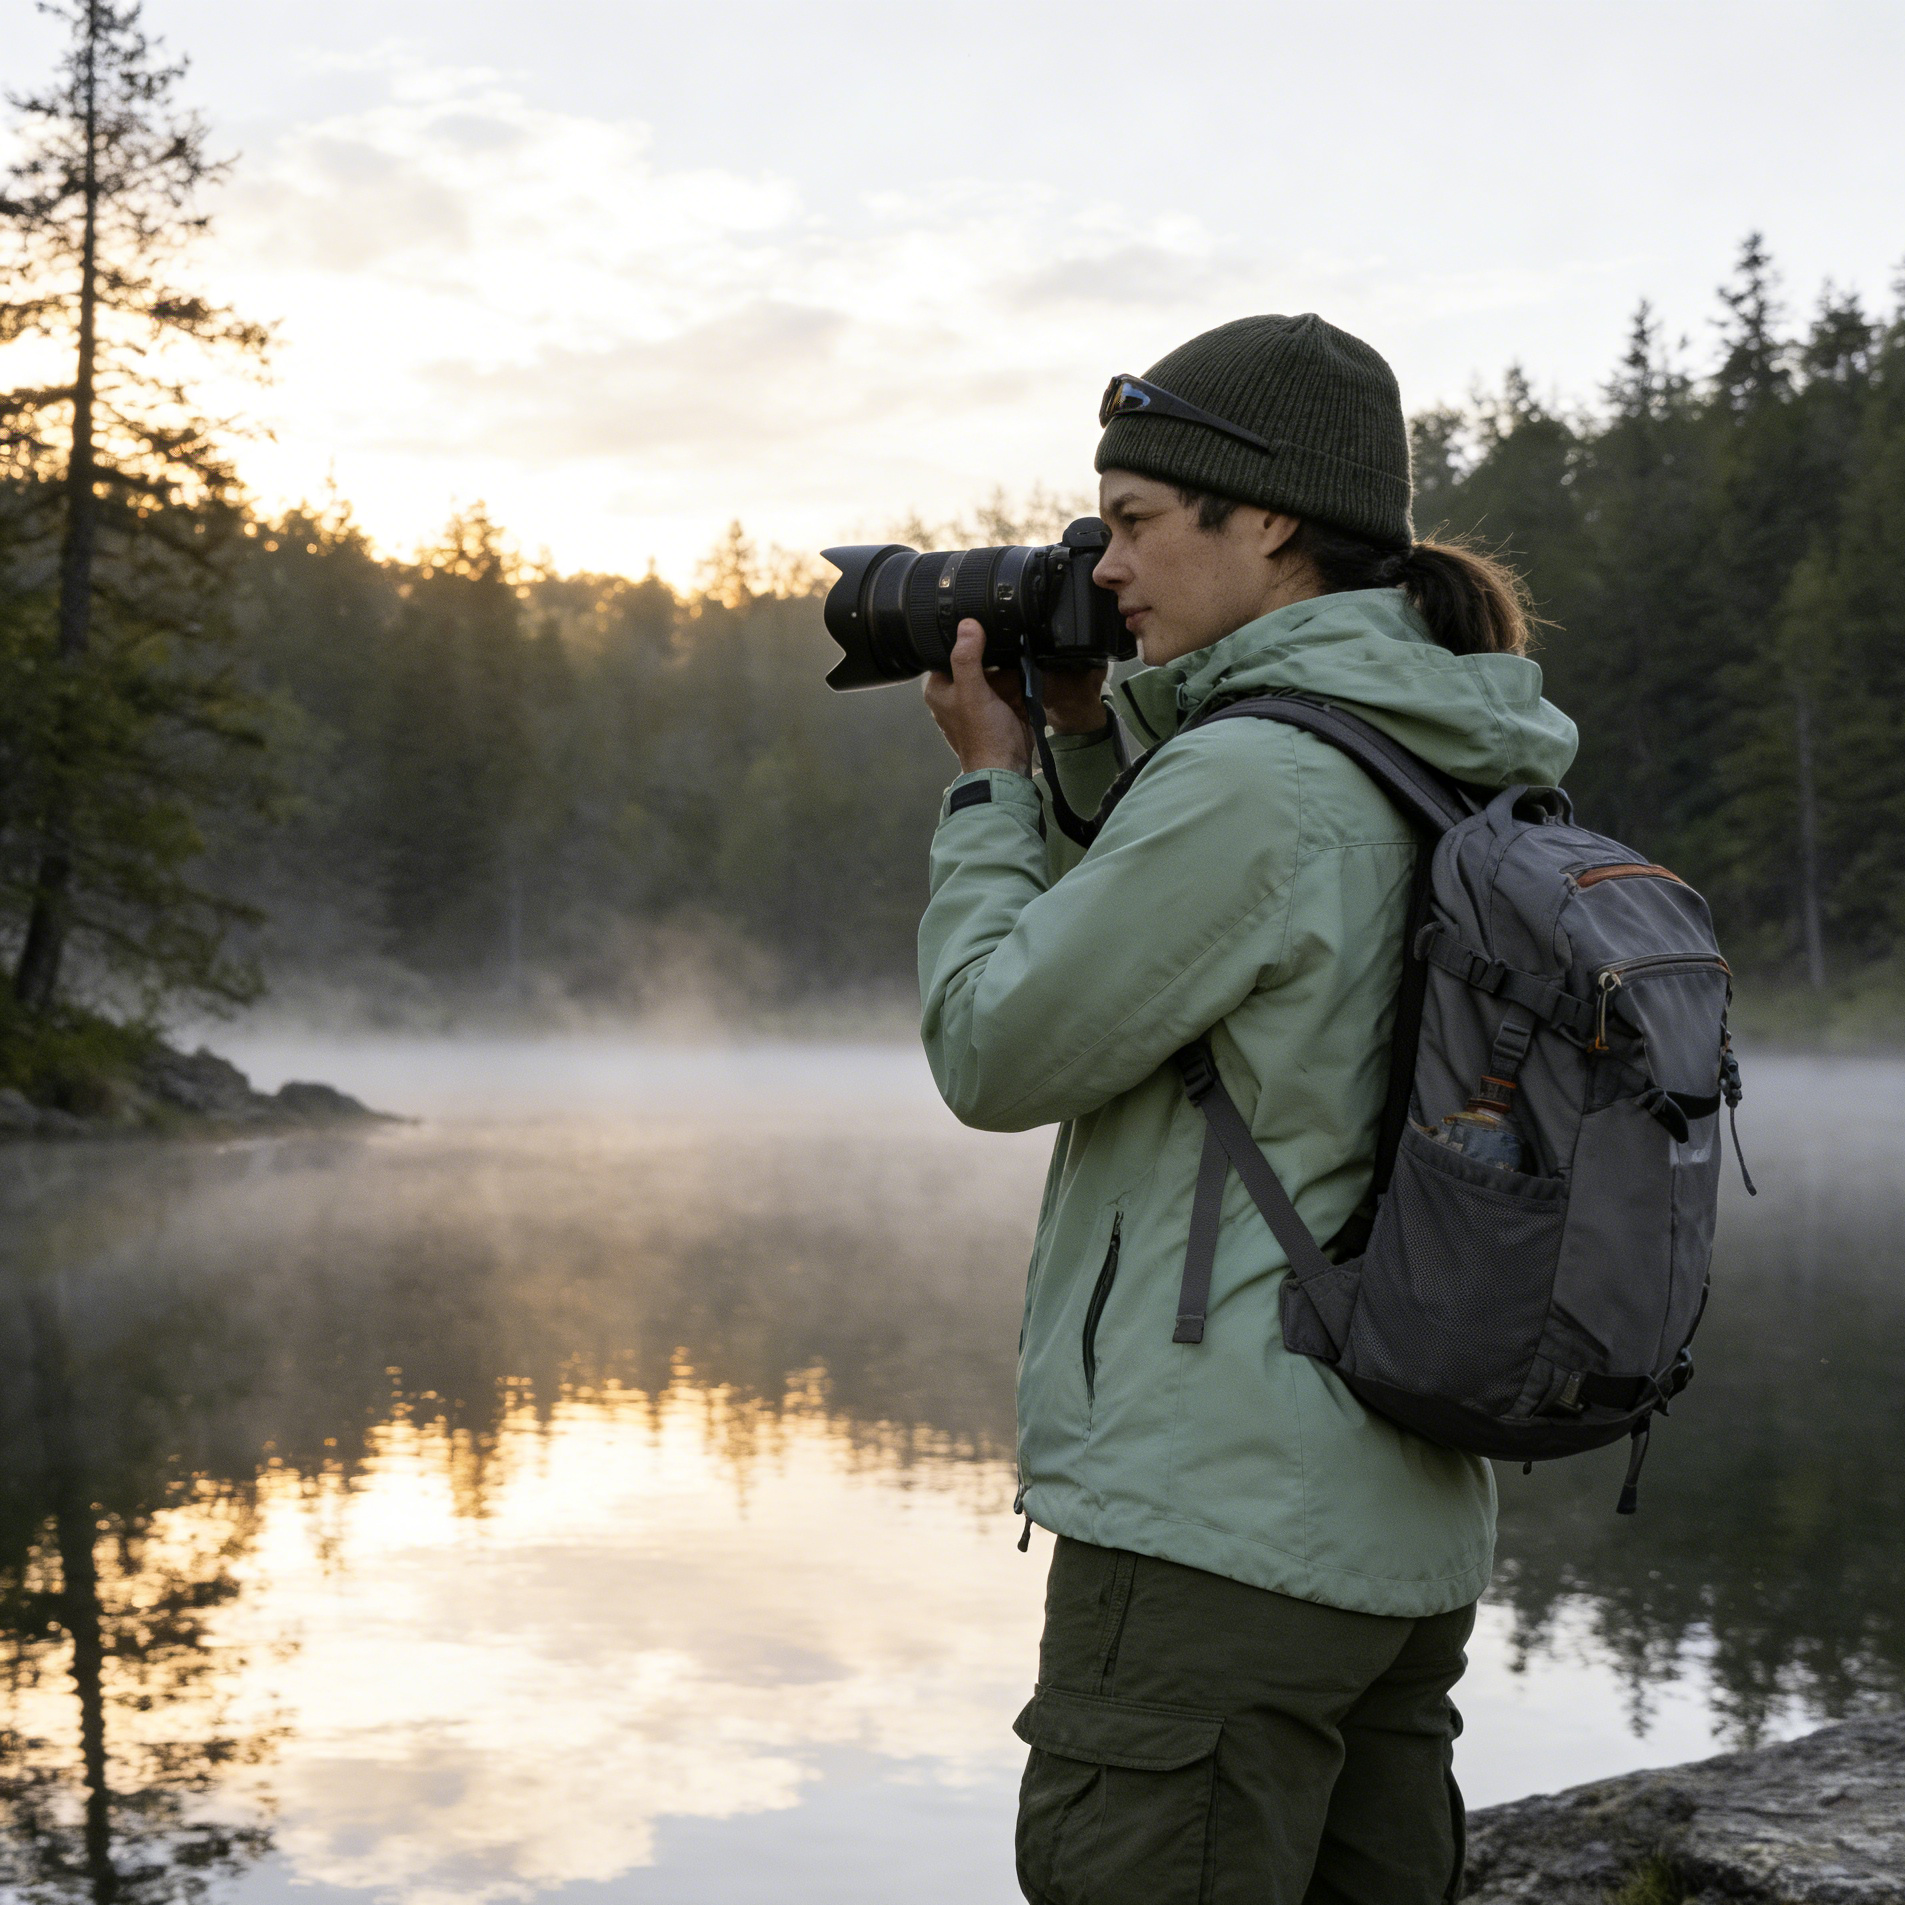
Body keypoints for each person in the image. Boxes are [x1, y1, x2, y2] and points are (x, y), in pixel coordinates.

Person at [917, 314, 1578, 1905]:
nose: (1109, 563)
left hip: (1217, 1530)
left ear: (1268, 520)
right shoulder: (1434, 746)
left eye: (1138, 521)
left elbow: (997, 1050)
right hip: (1391, 1530)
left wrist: (989, 790)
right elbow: (1201, 1005)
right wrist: (1089, 742)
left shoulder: (1258, 780)